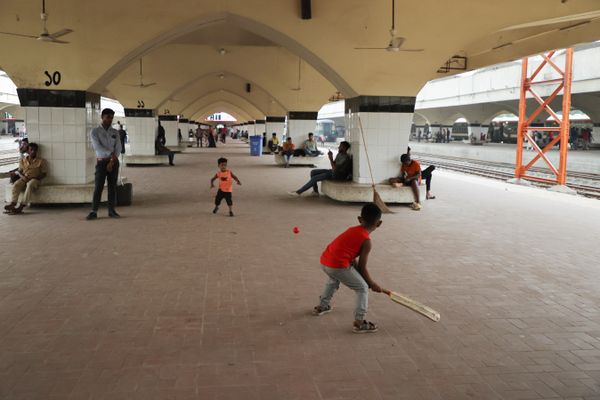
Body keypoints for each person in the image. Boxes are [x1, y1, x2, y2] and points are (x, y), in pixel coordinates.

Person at [313, 203, 383, 333]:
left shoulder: (352, 230)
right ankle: (359, 322)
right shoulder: (366, 241)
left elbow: (352, 259)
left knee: (334, 279)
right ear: (379, 223)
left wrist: (363, 277)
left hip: (325, 261)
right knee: (362, 288)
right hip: (337, 266)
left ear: (359, 219)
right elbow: (362, 267)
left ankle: (322, 306)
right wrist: (371, 283)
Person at [87, 108, 122, 220]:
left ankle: (111, 210)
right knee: (99, 187)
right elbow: (97, 147)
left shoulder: (115, 132)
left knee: (112, 187)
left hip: (113, 162)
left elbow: (118, 147)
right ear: (102, 117)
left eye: (111, 118)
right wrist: (110, 154)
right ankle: (94, 211)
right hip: (102, 162)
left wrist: (112, 160)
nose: (109, 120)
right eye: (107, 117)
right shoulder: (95, 132)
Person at [4, 143, 48, 215]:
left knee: (30, 184)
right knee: (16, 184)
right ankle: (13, 203)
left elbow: (44, 174)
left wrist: (34, 177)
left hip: (35, 180)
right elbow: (19, 171)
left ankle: (21, 206)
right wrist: (22, 177)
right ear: (28, 150)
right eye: (31, 150)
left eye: (35, 150)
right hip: (24, 178)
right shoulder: (23, 160)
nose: (33, 151)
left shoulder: (41, 161)